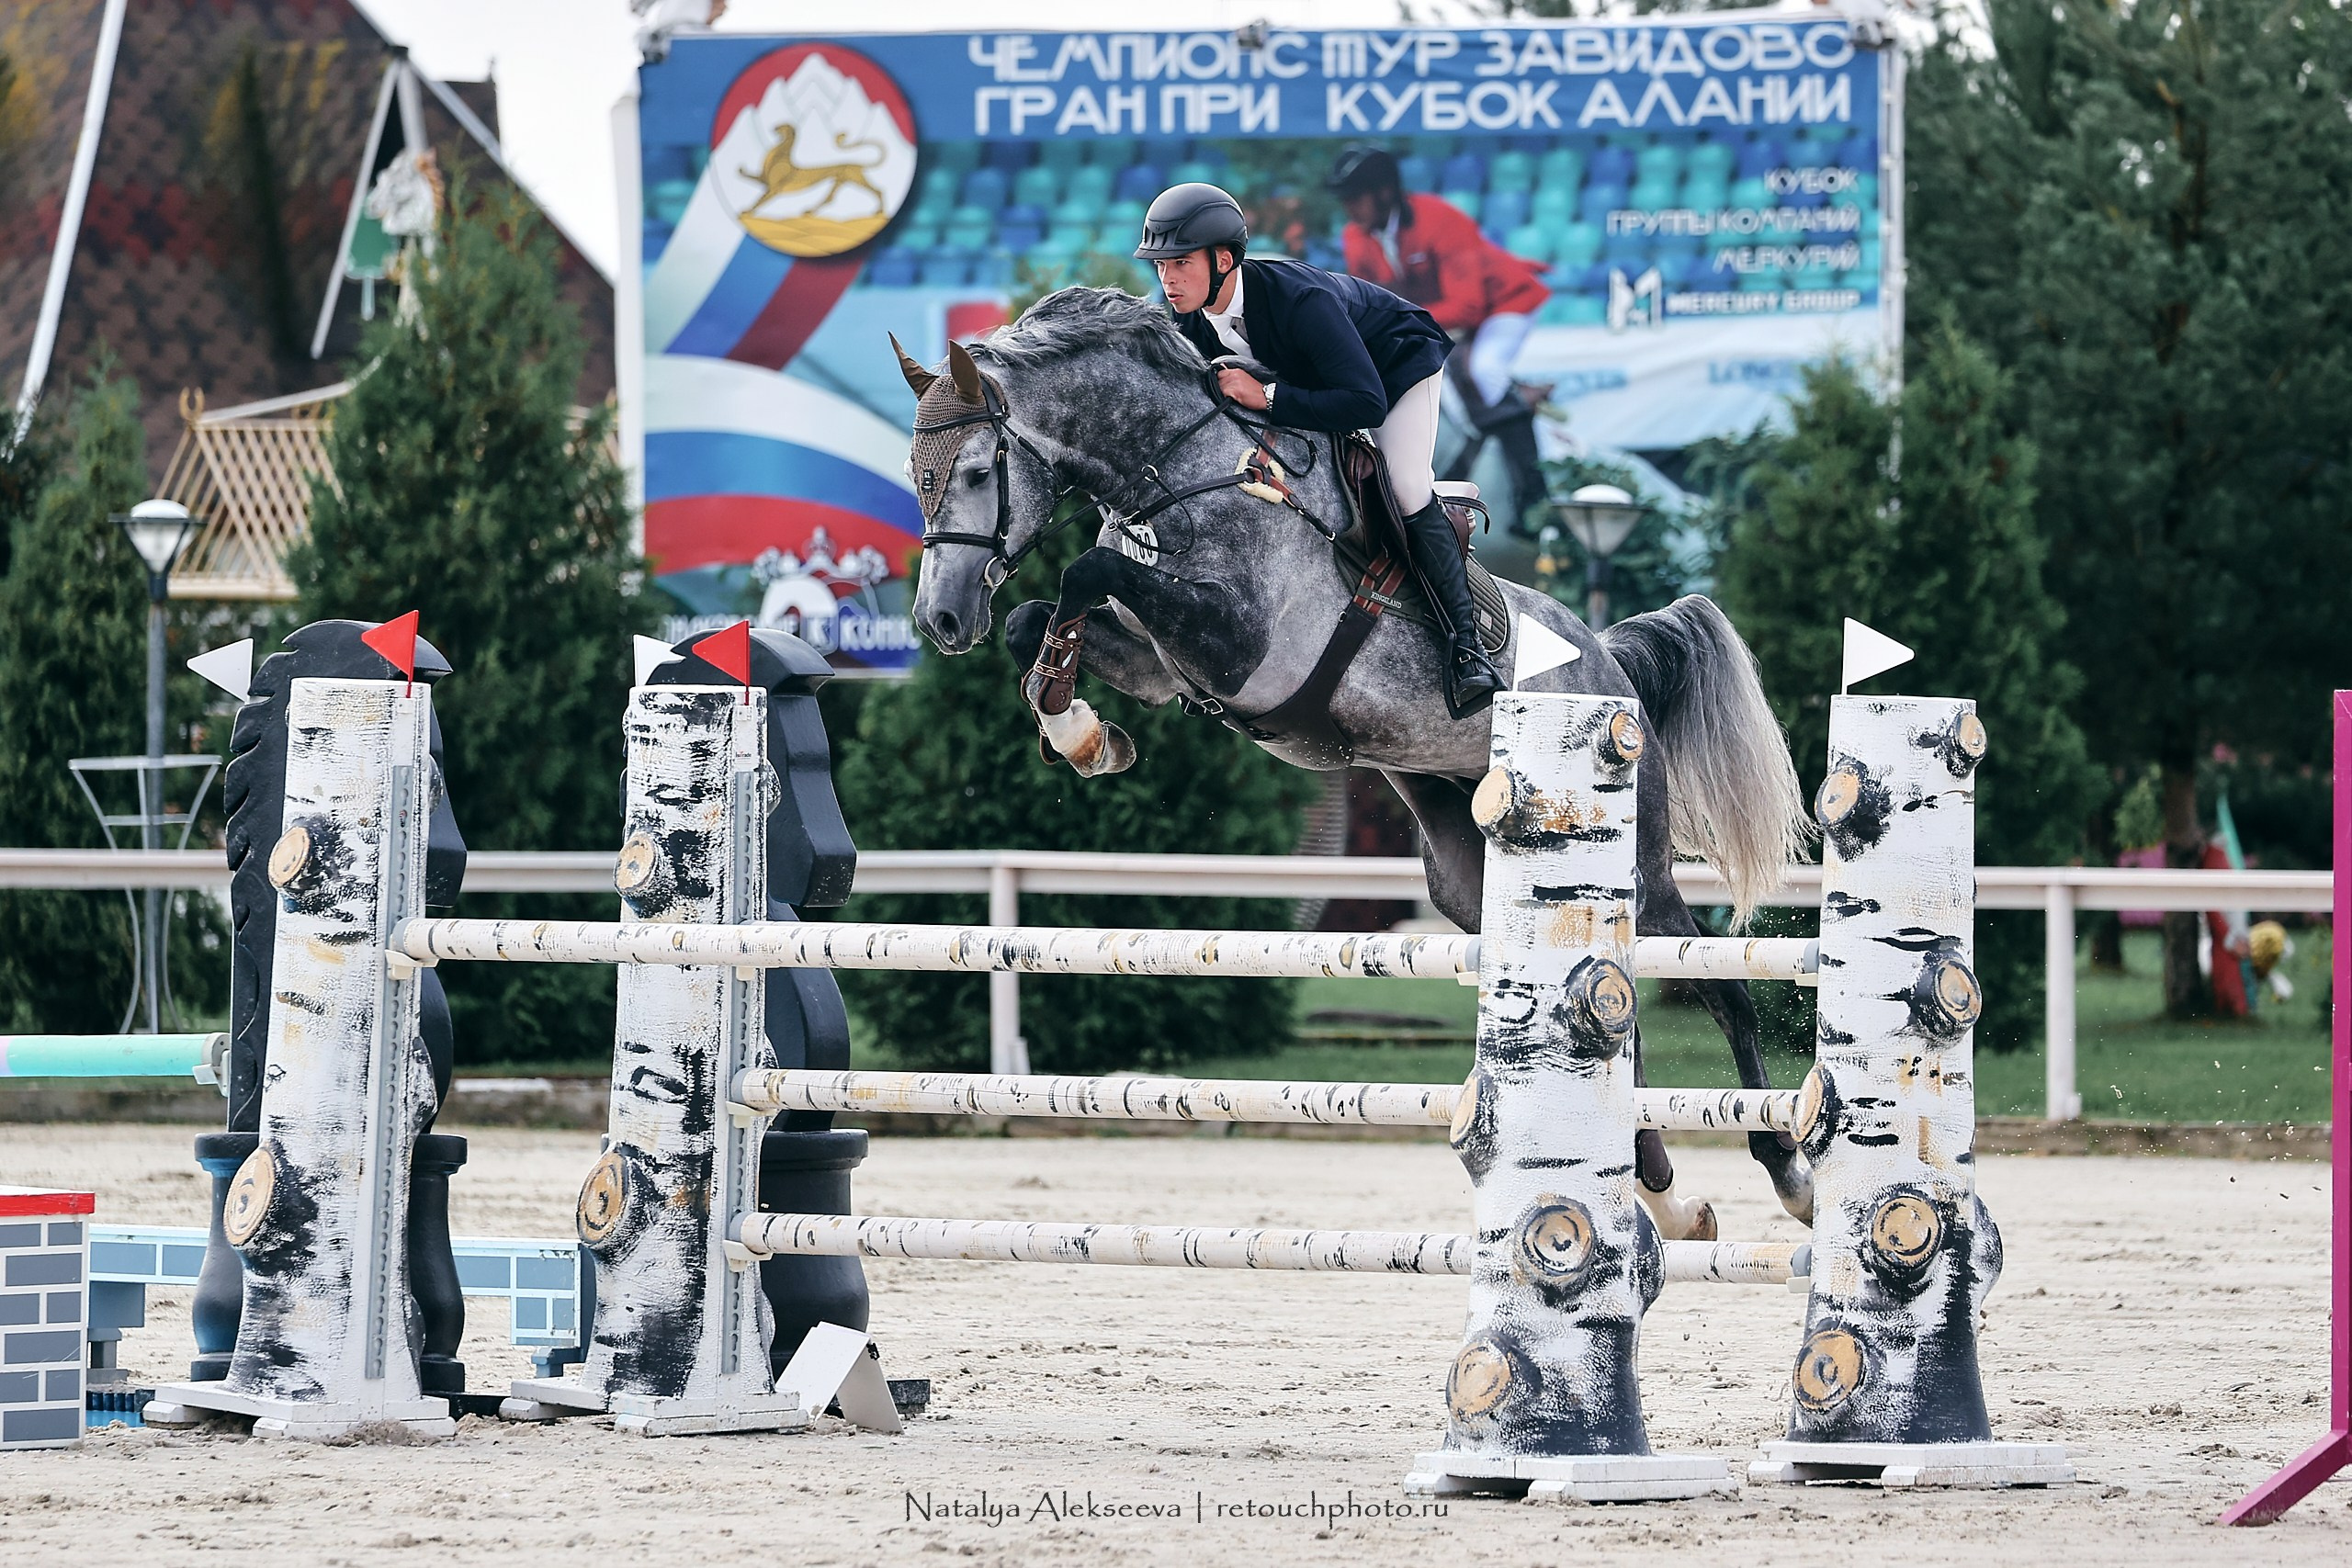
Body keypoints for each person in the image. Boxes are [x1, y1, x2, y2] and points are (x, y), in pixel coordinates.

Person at [1132, 183, 1504, 718]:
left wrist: (1267, 397)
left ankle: (1466, 652)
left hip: (1393, 368)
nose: (1167, 279)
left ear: (1223, 260)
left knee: (1404, 486)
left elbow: (1364, 403)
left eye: (1180, 263)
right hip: (1318, 382)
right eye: (1160, 264)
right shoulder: (1186, 322)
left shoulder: (1298, 299)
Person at [1328, 148, 1550, 525]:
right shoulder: (1355, 236)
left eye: (1355, 195)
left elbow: (1468, 306)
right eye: (1345, 197)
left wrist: (1402, 320)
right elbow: (1368, 298)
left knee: (1485, 371)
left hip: (1504, 303)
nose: (1349, 206)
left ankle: (1534, 495)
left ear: (1385, 192)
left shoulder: (1441, 220)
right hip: (1438, 315)